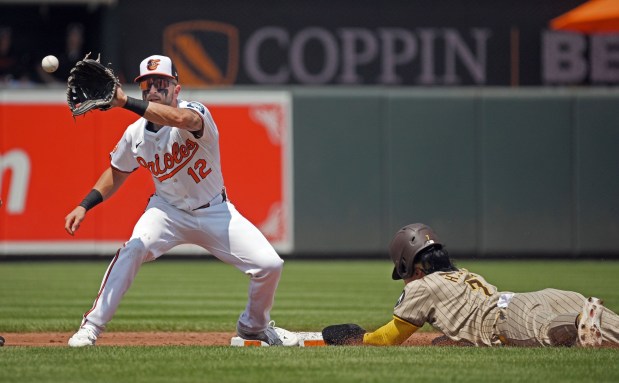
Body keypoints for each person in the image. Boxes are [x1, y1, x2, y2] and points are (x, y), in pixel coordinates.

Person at [64, 54, 296, 347]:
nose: (154, 89)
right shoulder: (134, 135)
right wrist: (84, 204)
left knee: (270, 265)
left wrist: (126, 103)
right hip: (166, 212)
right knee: (132, 249)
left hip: (214, 210)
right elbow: (117, 172)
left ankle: (253, 326)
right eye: (147, 84)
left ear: (177, 88)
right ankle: (91, 327)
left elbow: (182, 120)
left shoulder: (195, 112)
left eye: (162, 82)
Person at [322, 223, 619, 347]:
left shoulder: (423, 286)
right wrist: (448, 341)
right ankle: (586, 315)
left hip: (512, 318)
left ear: (407, 265)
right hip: (539, 297)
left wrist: (358, 338)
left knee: (558, 331)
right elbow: (468, 324)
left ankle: (582, 320)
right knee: (611, 326)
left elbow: (391, 337)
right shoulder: (465, 275)